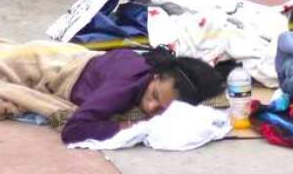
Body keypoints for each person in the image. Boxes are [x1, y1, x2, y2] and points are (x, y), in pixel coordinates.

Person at [61, 48, 225, 145]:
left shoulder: (153, 79)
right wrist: (122, 127)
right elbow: (72, 130)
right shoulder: (124, 87)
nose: (150, 108)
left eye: (161, 109)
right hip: (65, 66)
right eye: (154, 95)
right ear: (155, 75)